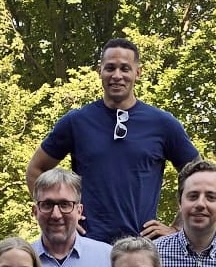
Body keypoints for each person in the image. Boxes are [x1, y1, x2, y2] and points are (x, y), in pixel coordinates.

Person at [26, 38, 199, 245]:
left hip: (141, 250)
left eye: (125, 68)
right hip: (86, 246)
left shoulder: (162, 124)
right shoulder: (77, 122)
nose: (117, 75)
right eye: (110, 68)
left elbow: (200, 176)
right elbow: (36, 169)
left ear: (138, 72)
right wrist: (61, 217)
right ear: (100, 71)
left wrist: (178, 227)